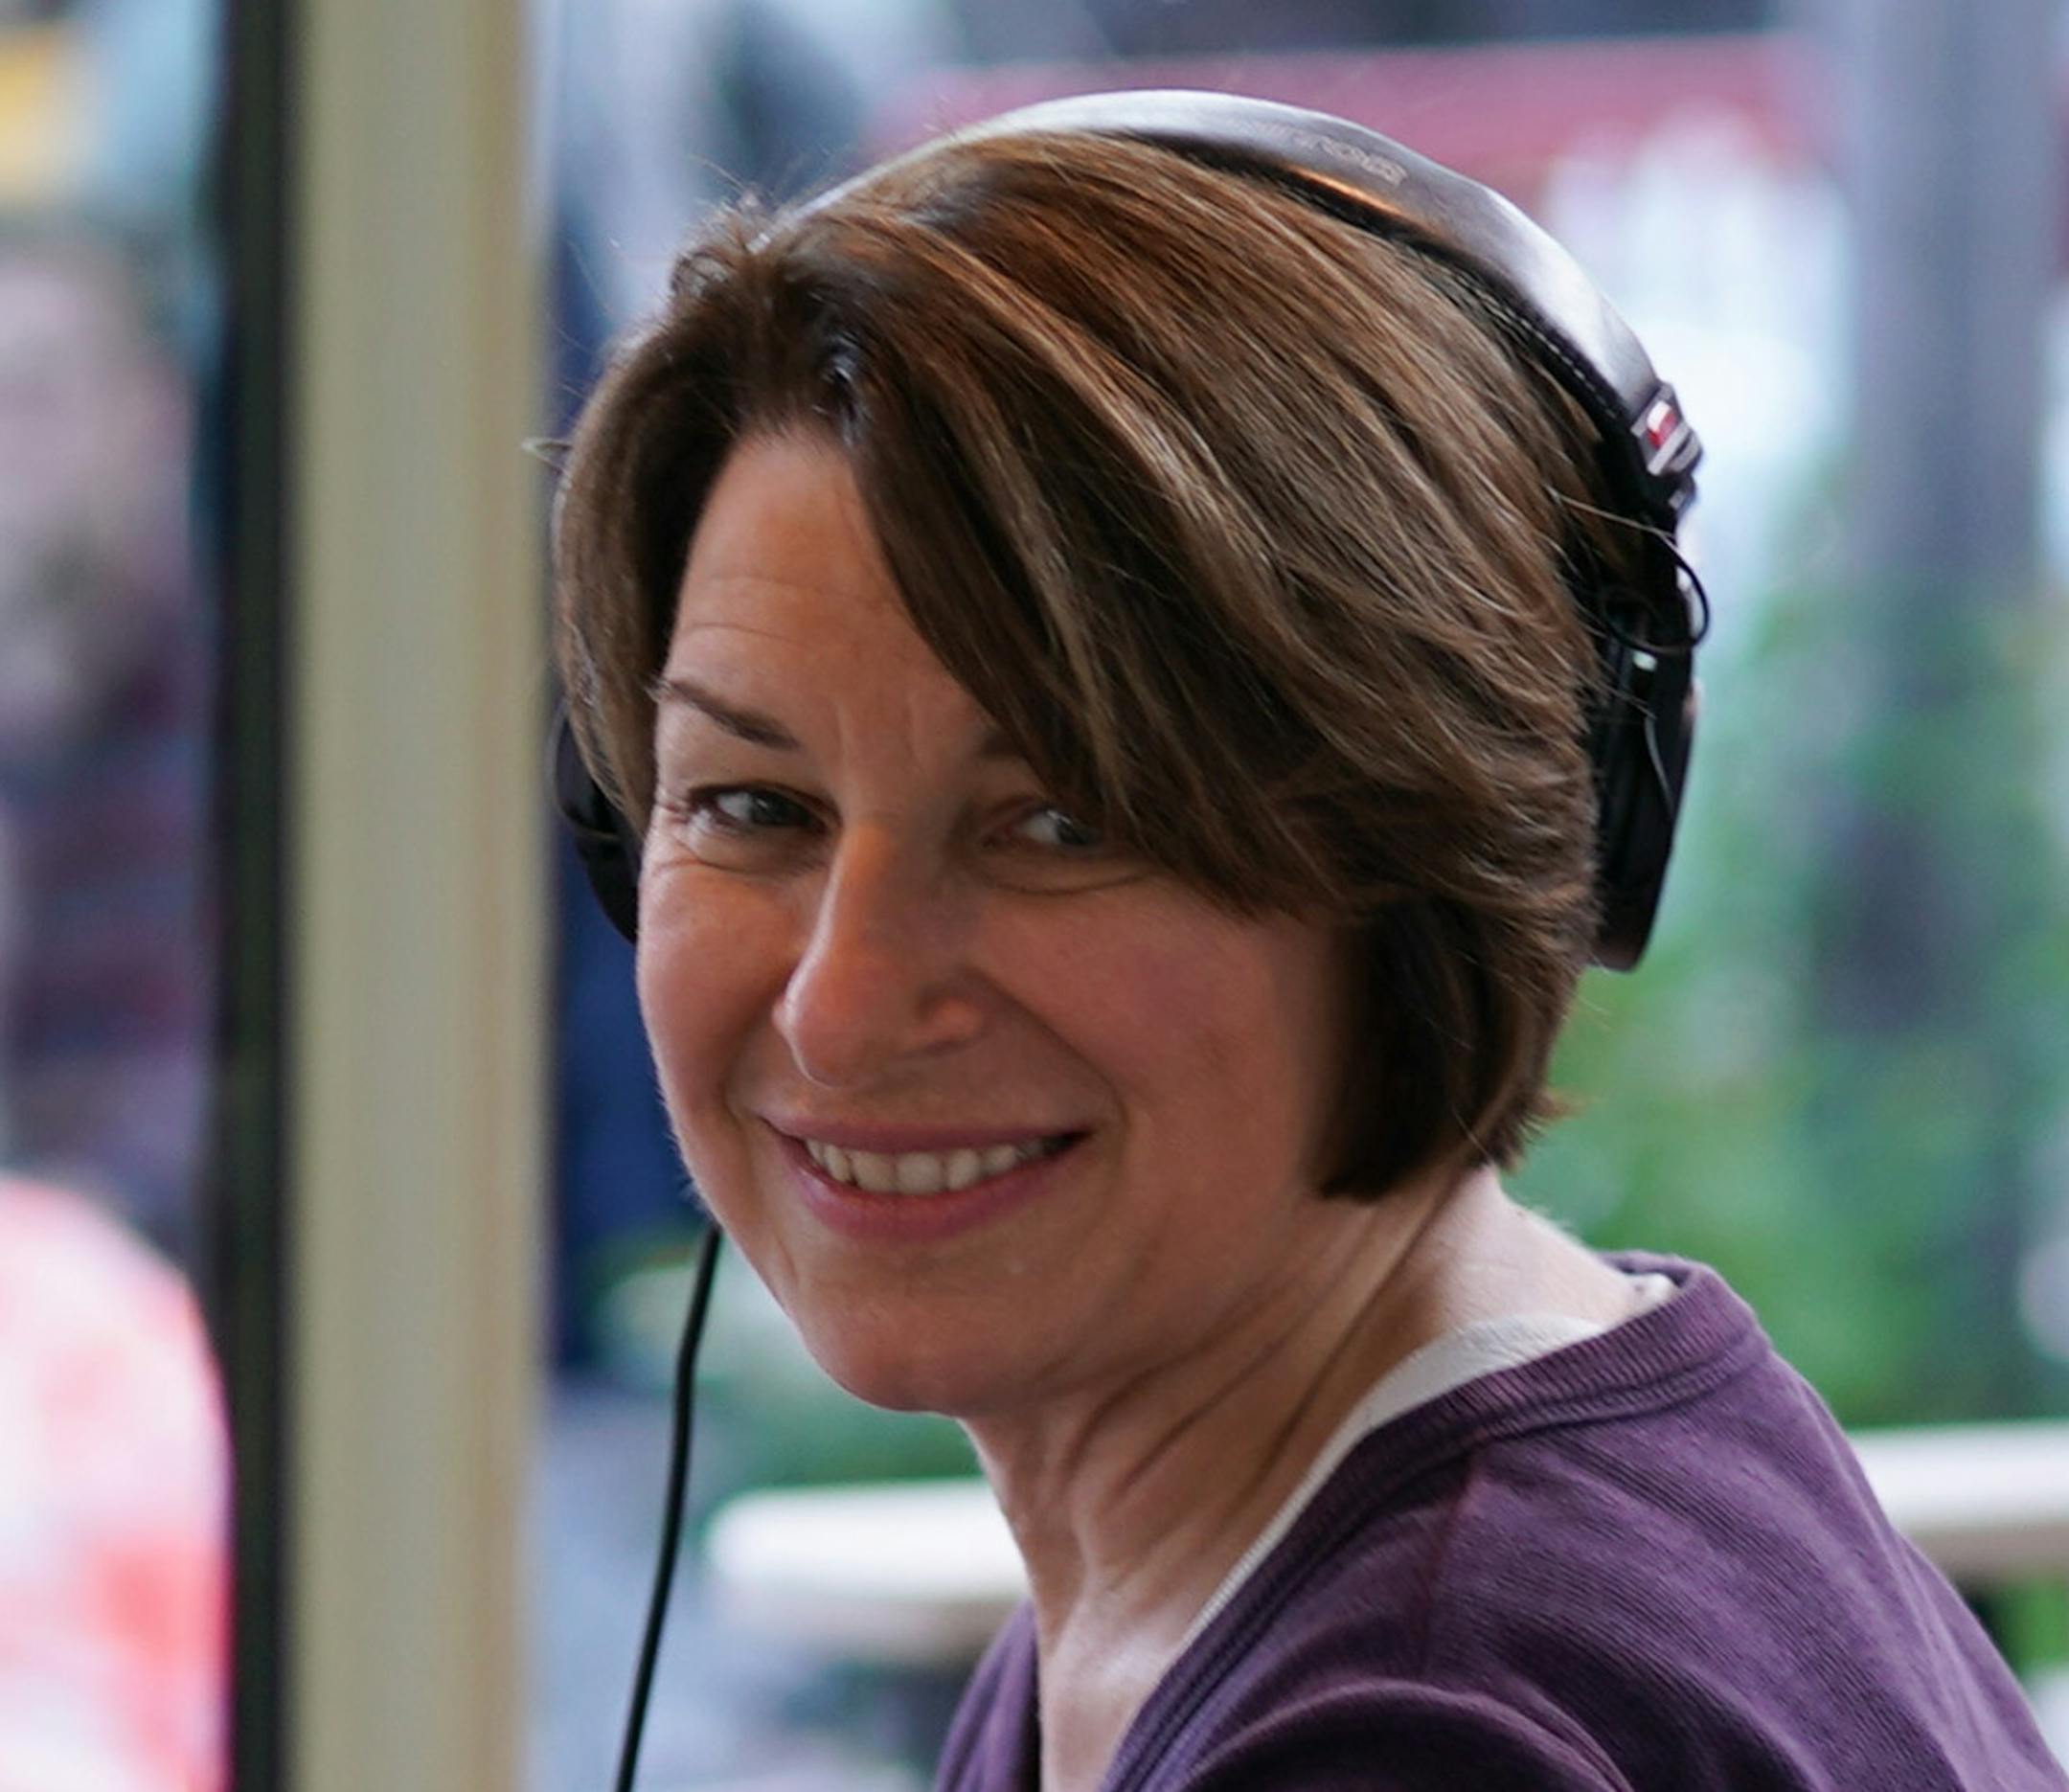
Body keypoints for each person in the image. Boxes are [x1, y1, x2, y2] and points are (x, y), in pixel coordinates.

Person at [550, 93, 2066, 1791]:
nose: (839, 1008)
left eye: (1061, 823)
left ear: (1433, 857)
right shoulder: (1328, 1537)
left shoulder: (1419, 1728)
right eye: (753, 807)